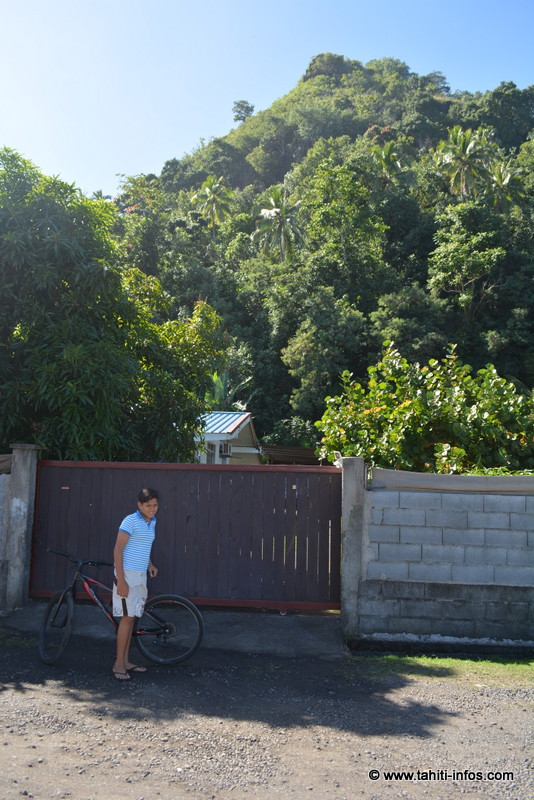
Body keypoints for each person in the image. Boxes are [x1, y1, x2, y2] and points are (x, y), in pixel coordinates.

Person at [112, 487, 159, 680]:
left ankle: (126, 661)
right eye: (148, 505)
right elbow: (118, 551)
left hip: (140, 575)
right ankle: (118, 665)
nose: (152, 509)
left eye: (155, 505)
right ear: (139, 505)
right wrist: (121, 581)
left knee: (132, 618)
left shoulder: (152, 522)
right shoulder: (130, 521)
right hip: (127, 575)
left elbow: (142, 547)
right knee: (126, 618)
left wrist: (150, 564)